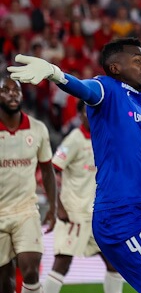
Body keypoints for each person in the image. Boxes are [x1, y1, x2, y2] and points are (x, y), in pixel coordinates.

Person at [8, 37, 141, 293]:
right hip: (121, 216)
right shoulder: (107, 89)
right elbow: (84, 89)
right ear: (115, 68)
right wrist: (56, 74)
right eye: (137, 61)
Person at [43, 100, 124, 293]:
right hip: (74, 213)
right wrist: (58, 206)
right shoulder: (74, 139)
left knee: (114, 262)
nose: (92, 115)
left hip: (98, 215)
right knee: (62, 264)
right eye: (87, 112)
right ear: (80, 115)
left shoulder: (104, 139)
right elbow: (53, 169)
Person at [0, 75, 57, 293]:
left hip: (26, 210)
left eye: (17, 90)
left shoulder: (38, 129)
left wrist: (53, 207)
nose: (12, 94)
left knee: (31, 269)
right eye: (6, 90)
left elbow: (47, 170)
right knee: (4, 282)